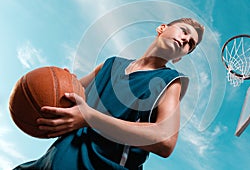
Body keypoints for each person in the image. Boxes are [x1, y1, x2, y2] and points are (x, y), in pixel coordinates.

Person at [14, 18, 204, 170]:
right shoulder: (110, 64)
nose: (186, 40)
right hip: (56, 160)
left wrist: (90, 118)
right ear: (162, 28)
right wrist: (62, 83)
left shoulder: (170, 81)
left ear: (180, 57)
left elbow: (165, 140)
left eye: (190, 44)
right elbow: (67, 100)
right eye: (184, 31)